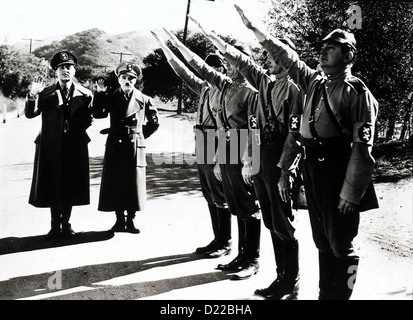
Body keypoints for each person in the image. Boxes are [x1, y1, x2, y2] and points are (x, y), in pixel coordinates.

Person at [235, 5, 379, 299]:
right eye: (322, 48)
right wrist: (256, 32)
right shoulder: (314, 82)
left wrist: (350, 194)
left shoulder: (356, 92)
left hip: (339, 171)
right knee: (322, 241)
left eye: (332, 48)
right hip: (314, 170)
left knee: (342, 245)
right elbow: (289, 59)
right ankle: (325, 295)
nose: (323, 53)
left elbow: (362, 150)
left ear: (349, 55)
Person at [196, 24, 304, 299]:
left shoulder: (293, 89)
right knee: (270, 219)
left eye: (272, 55)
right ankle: (281, 278)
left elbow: (294, 133)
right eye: (266, 55)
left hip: (280, 158)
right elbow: (255, 129)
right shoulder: (266, 86)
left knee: (282, 221)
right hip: (261, 157)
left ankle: (291, 281)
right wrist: (249, 161)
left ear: (286, 58)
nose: (267, 59)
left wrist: (285, 170)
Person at [163, 28, 261, 281]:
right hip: (221, 143)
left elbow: (254, 127)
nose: (224, 67)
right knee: (228, 199)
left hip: (239, 144)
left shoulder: (249, 90)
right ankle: (237, 252)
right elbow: (187, 73)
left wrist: (251, 160)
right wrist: (169, 52)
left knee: (245, 204)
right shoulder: (225, 87)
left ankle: (250, 257)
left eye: (228, 62)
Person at [151, 31, 232, 258]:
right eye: (207, 68)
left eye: (215, 68)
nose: (210, 72)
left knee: (219, 192)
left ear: (223, 71)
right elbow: (183, 72)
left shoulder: (226, 90)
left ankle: (226, 242)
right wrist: (166, 51)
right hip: (202, 139)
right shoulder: (204, 88)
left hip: (218, 140)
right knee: (208, 192)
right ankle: (217, 239)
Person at [25, 51, 93, 239]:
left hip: (74, 145)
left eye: (69, 67)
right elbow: (30, 114)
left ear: (74, 70)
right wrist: (32, 94)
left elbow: (89, 119)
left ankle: (67, 224)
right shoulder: (45, 92)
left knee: (70, 183)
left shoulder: (86, 94)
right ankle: (55, 225)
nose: (65, 71)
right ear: (56, 71)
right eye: (61, 68)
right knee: (53, 183)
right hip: (51, 144)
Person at [93, 61, 159, 233]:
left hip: (134, 145)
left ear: (135, 81)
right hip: (115, 143)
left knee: (132, 182)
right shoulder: (111, 96)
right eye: (124, 78)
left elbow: (154, 123)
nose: (127, 81)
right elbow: (98, 113)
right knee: (115, 181)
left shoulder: (144, 100)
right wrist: (99, 94)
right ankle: (118, 220)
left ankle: (130, 220)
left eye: (131, 78)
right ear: (119, 80)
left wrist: (139, 135)